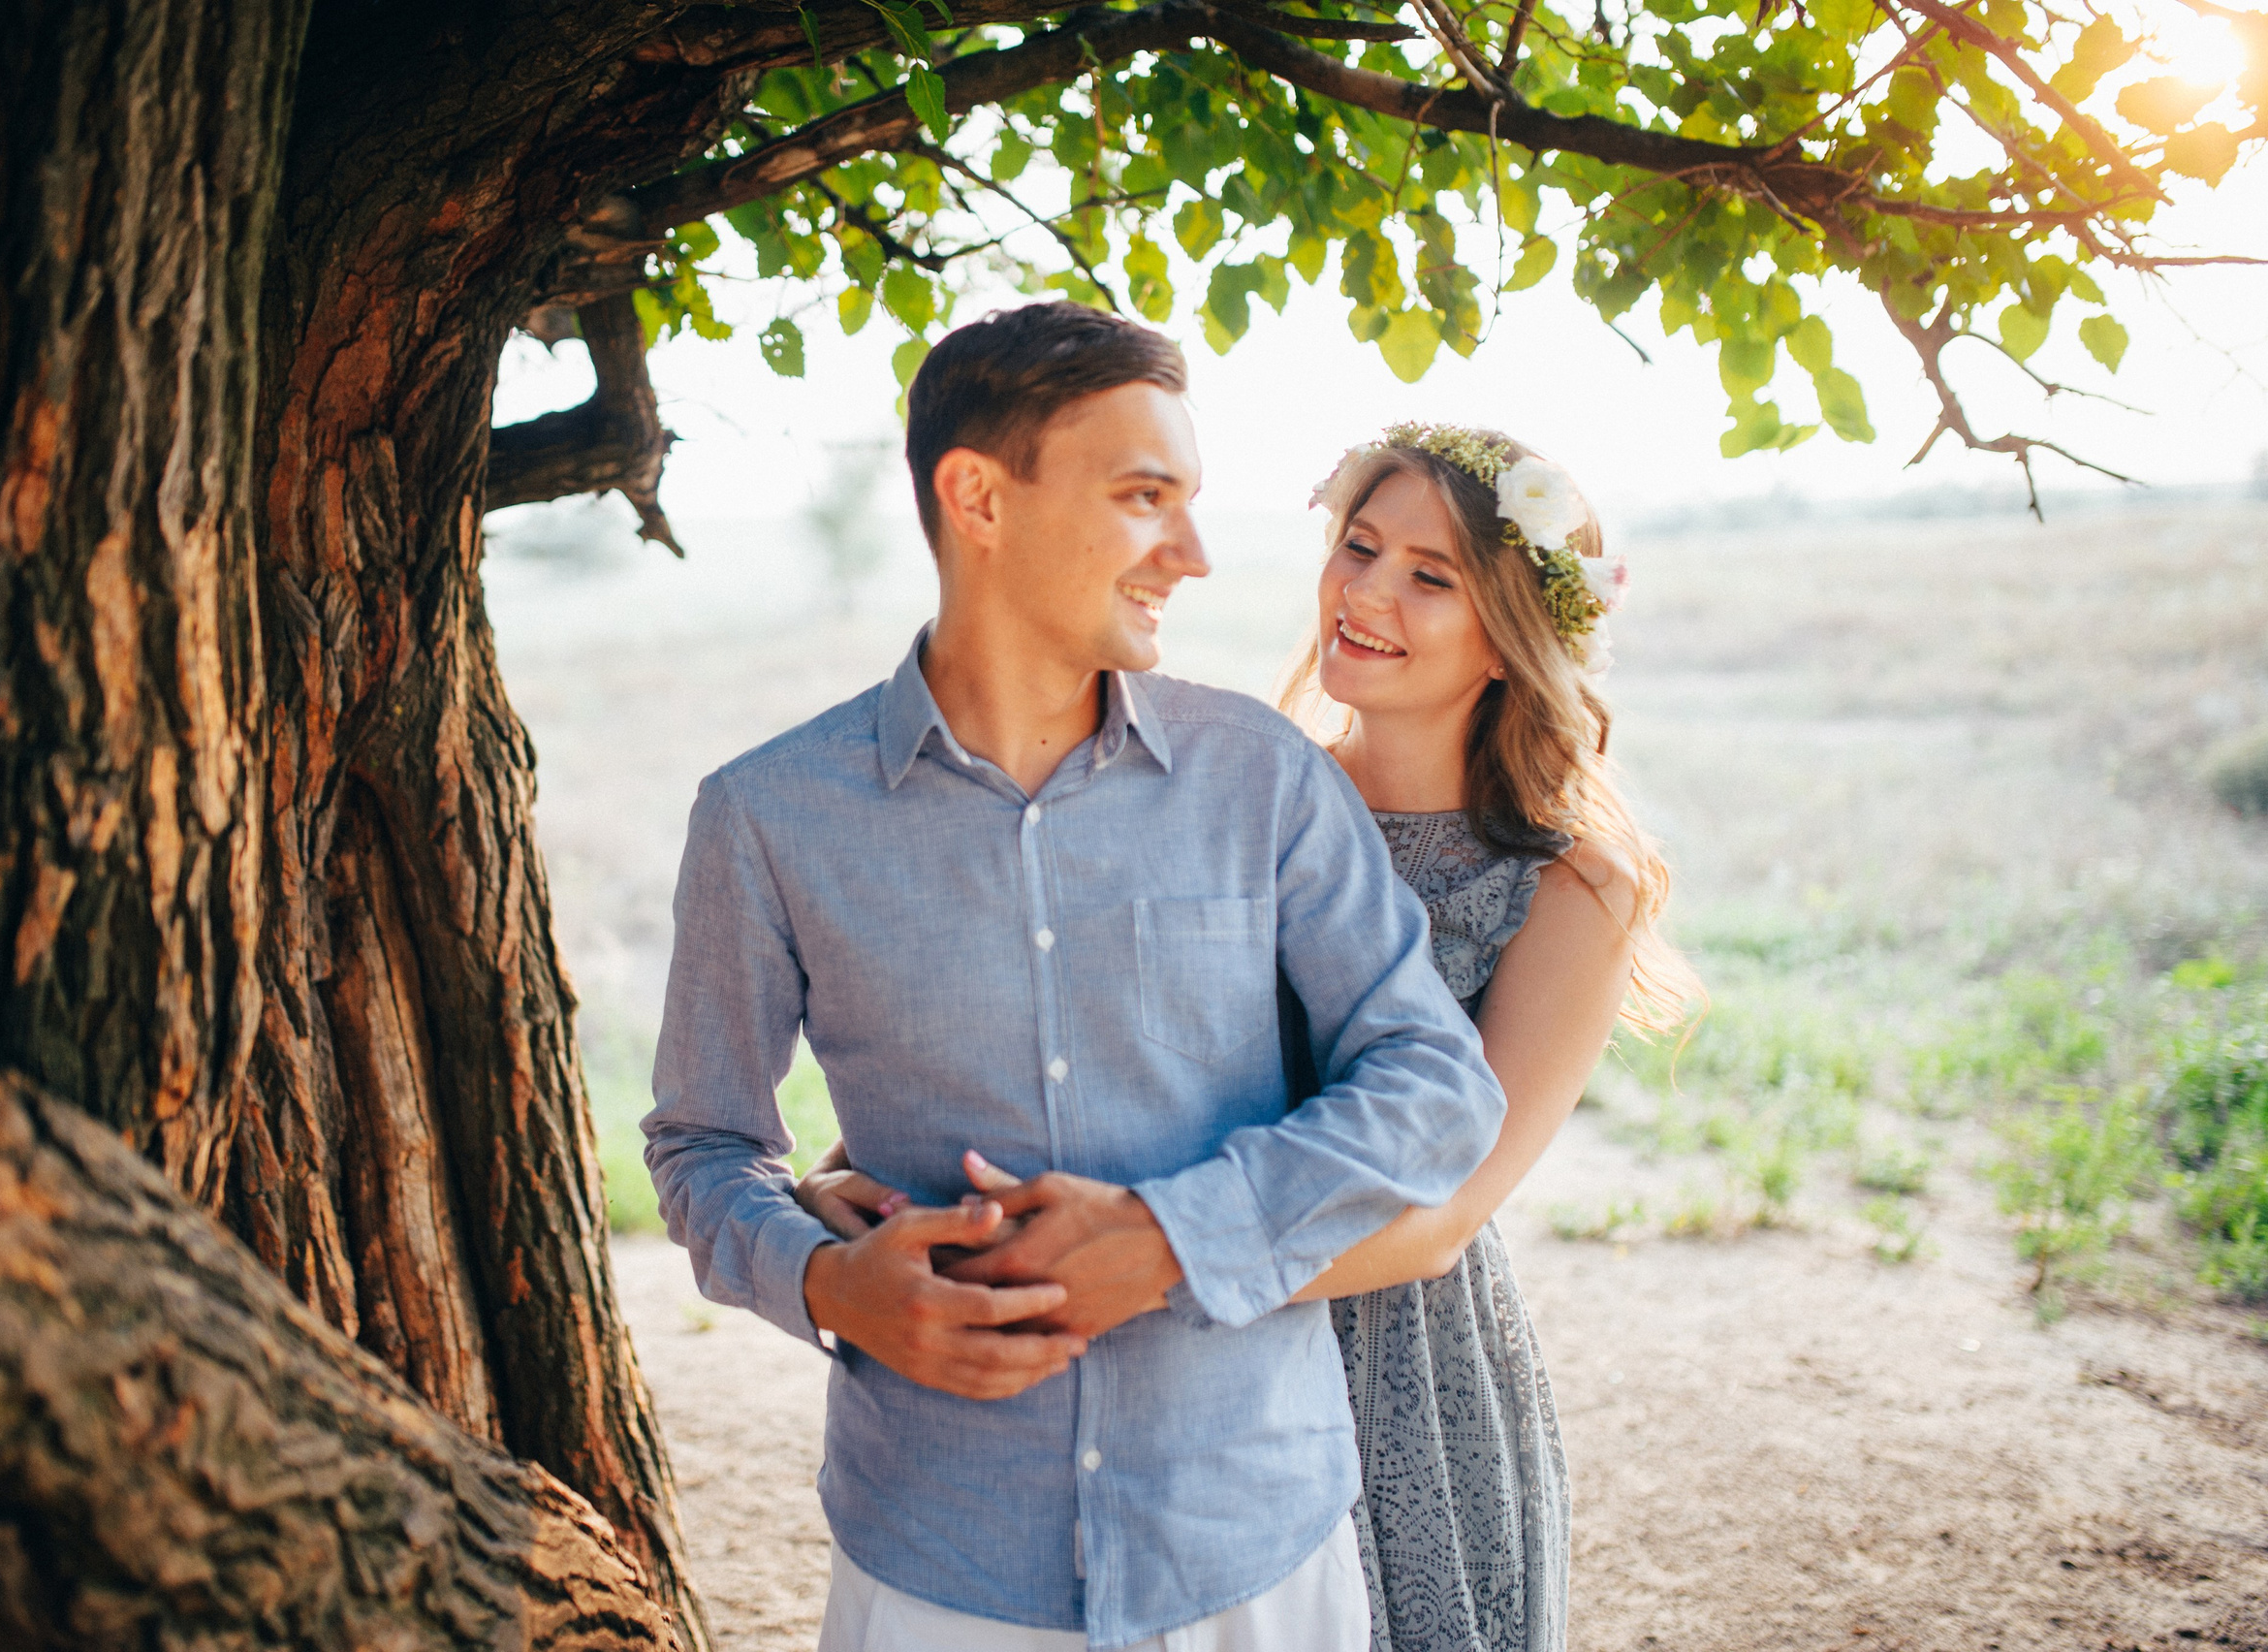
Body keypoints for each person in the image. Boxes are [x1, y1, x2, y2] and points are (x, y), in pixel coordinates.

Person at [643, 305, 1508, 1651]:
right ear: (978, 497)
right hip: (938, 1557)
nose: (1197, 554)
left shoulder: (1261, 781)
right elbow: (704, 1145)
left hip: (1257, 1548)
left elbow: (1437, 1086)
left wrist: (1174, 1238)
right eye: (1144, 497)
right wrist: (827, 1283)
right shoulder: (767, 818)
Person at [803, 422, 1698, 1652]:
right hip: (1166, 1371)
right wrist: (897, 1178)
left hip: (1390, 1360)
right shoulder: (1241, 791)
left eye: (1429, 577)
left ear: (1508, 634)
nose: (1366, 592)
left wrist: (1132, 1262)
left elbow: (1438, 1223)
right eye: (1361, 547)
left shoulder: (1571, 887)